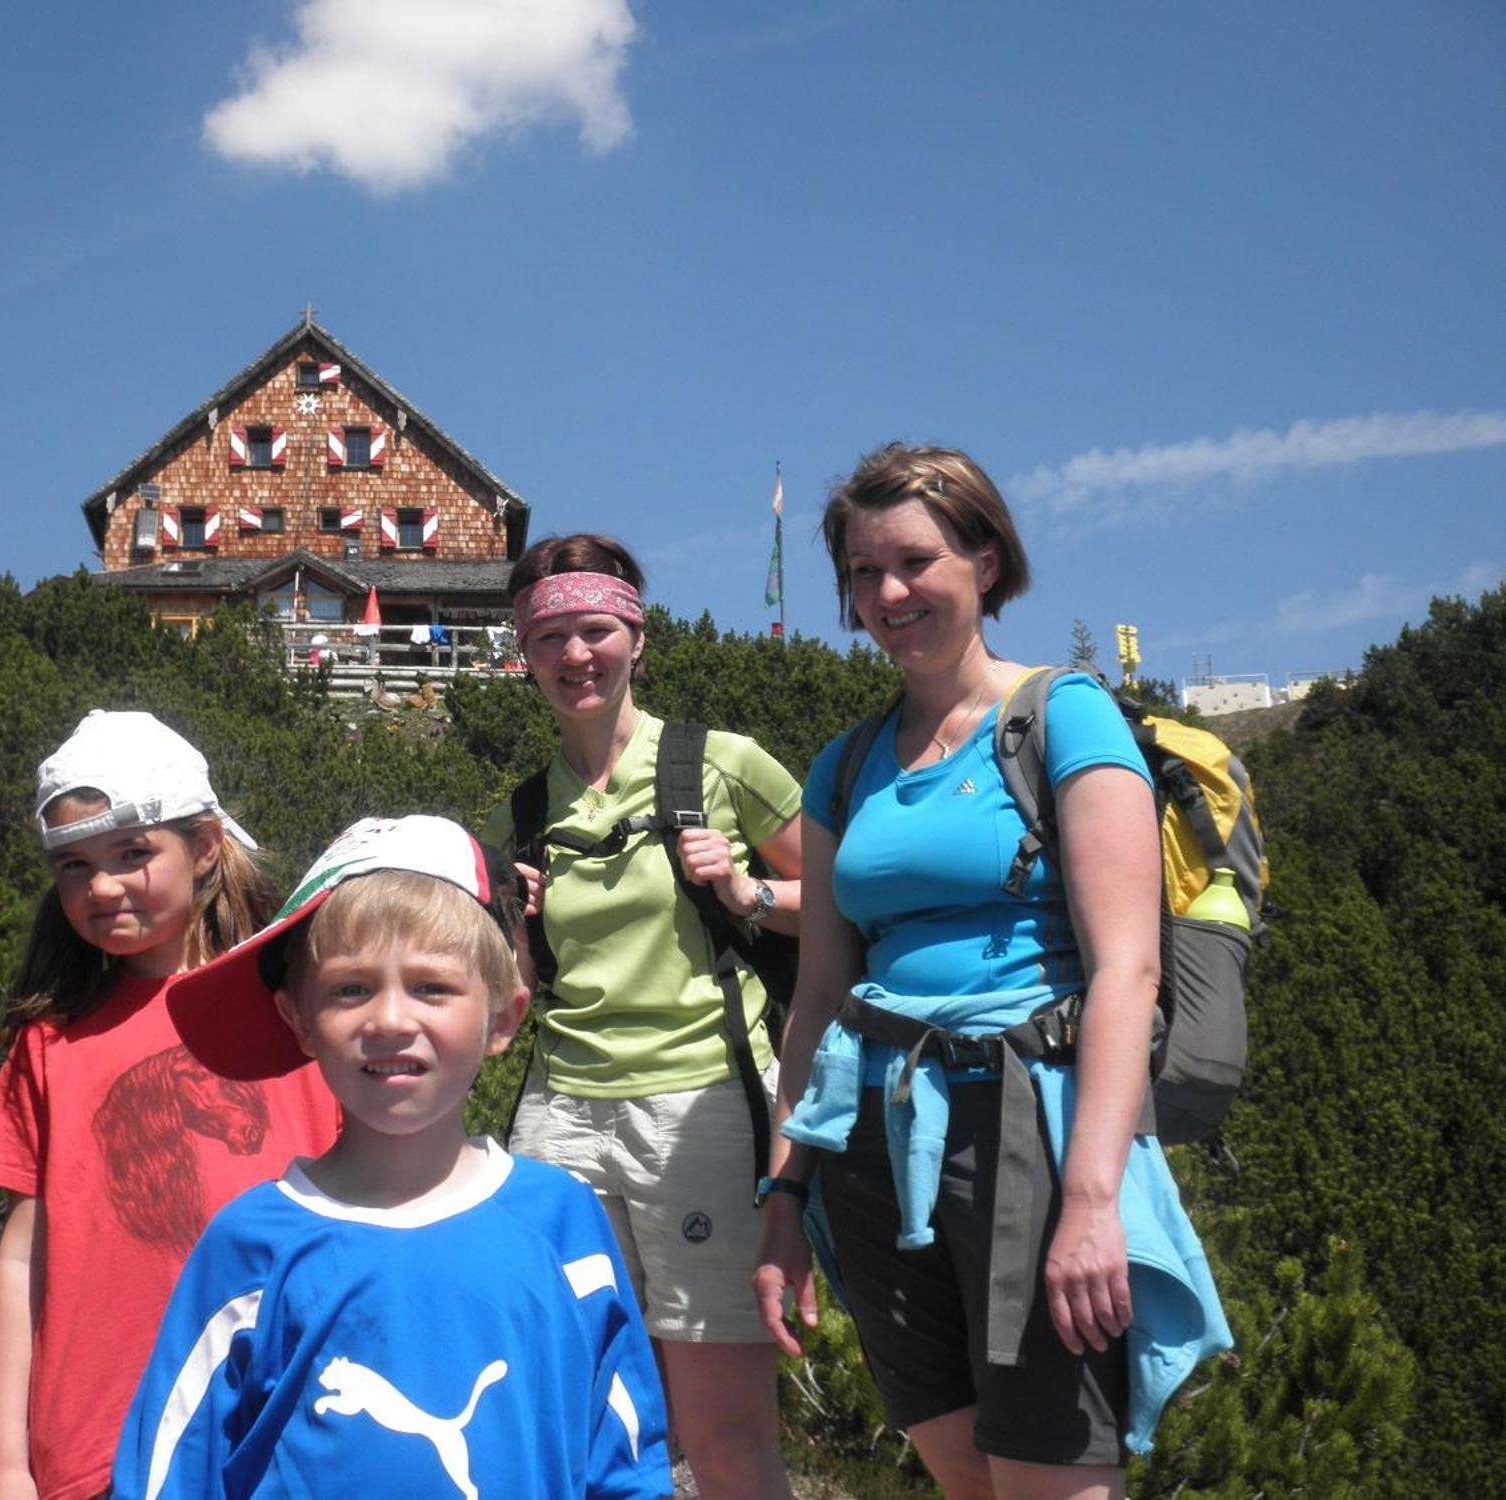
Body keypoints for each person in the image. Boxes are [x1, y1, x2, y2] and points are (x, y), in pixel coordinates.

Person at [753, 445, 1230, 1500]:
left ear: (982, 559)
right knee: (959, 1474)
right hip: (871, 1143)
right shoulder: (846, 762)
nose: (886, 593)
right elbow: (820, 995)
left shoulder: (1063, 718)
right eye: (862, 573)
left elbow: (1124, 970)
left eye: (914, 562)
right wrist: (784, 1192)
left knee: (1048, 1474)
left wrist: (1092, 1201)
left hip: (1025, 1129)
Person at [110, 814, 672, 1500]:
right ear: (297, 1019)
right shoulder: (249, 1248)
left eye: (433, 987)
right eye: (351, 989)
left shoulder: (563, 1225)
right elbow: (170, 1472)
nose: (390, 1020)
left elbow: (624, 1457)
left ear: (503, 1017)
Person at [479, 535, 805, 1499]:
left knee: (723, 1429)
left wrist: (747, 890)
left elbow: (841, 901)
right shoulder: (522, 812)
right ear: (524, 654)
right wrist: (511, 925)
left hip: (701, 1108)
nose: (575, 657)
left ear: (637, 638)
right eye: (550, 639)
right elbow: (505, 999)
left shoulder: (725, 764)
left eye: (594, 631)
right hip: (560, 1116)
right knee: (577, 1409)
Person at [0, 710, 340, 1500]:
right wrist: (5, 1466)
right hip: (101, 1444)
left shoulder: (300, 1017)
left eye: (132, 854)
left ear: (204, 848)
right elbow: (24, 1258)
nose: (100, 887)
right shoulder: (50, 1040)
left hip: (284, 1429)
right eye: (73, 866)